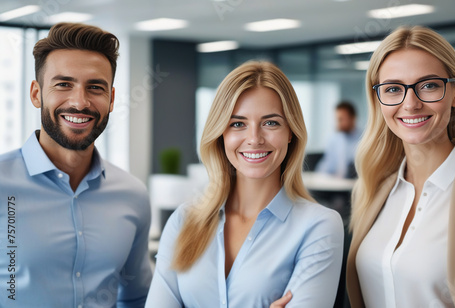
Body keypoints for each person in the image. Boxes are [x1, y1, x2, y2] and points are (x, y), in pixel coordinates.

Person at [146, 61, 344, 307]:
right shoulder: (183, 221)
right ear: (221, 134)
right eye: (238, 124)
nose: (254, 139)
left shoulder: (319, 226)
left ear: (291, 131)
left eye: (271, 123)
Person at [346, 25, 455, 308]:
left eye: (428, 85)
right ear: (378, 100)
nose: (410, 103)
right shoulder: (375, 189)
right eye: (393, 89)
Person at [0, 23, 152, 307]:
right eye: (63, 84)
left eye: (95, 87)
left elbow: (136, 297)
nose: (79, 102)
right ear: (36, 94)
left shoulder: (133, 195)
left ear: (111, 99)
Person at [315, 101, 361, 178]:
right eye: (337, 119)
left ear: (353, 119)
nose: (338, 123)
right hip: (336, 186)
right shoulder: (333, 140)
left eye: (341, 119)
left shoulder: (364, 139)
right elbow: (326, 165)